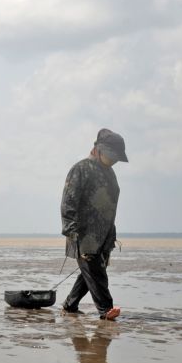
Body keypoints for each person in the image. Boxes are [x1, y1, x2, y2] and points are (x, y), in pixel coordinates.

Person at [60, 128, 127, 320]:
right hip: (83, 234)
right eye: (111, 155)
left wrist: (111, 233)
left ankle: (70, 305)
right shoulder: (80, 169)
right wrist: (71, 231)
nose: (114, 160)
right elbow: (68, 202)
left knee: (91, 271)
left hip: (104, 235)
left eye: (117, 158)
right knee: (95, 272)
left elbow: (109, 207)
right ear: (98, 150)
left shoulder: (110, 174)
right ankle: (106, 310)